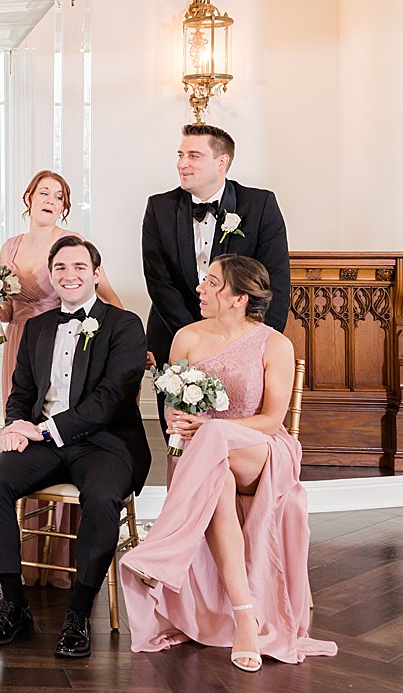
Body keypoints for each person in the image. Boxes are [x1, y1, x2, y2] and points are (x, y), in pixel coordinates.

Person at [120, 256, 337, 670]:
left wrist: (208, 427)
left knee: (216, 435)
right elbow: (173, 406)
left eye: (212, 283)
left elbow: (273, 420)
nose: (200, 289)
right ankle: (244, 618)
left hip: (261, 453)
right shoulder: (185, 337)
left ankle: (160, 552)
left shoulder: (275, 343)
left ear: (238, 297)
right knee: (214, 472)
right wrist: (178, 419)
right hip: (208, 461)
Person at [0, 235, 151, 659]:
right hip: (45, 442)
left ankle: (78, 611)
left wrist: (48, 429)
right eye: (60, 269)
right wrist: (17, 423)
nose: (69, 275)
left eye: (78, 268)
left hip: (105, 444)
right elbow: (22, 390)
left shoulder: (126, 326)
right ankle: (14, 605)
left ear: (95, 273)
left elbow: (111, 399)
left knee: (103, 495)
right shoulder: (36, 326)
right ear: (51, 276)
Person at [0, 170, 126, 587]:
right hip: (24, 341)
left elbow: (108, 300)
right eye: (44, 192)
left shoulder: (74, 249)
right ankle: (30, 562)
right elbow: (6, 310)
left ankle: (64, 564)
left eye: (59, 194)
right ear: (28, 198)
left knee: (69, 433)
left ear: (65, 205)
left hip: (73, 346)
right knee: (22, 435)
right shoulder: (10, 246)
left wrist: (127, 338)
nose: (50, 199)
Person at [141, 123, 289, 381]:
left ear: (222, 161)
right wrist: (193, 339)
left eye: (193, 156)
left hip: (243, 343)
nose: (182, 164)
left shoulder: (260, 205)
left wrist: (258, 342)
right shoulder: (159, 207)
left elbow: (275, 281)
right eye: (180, 155)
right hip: (175, 337)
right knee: (180, 421)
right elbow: (159, 283)